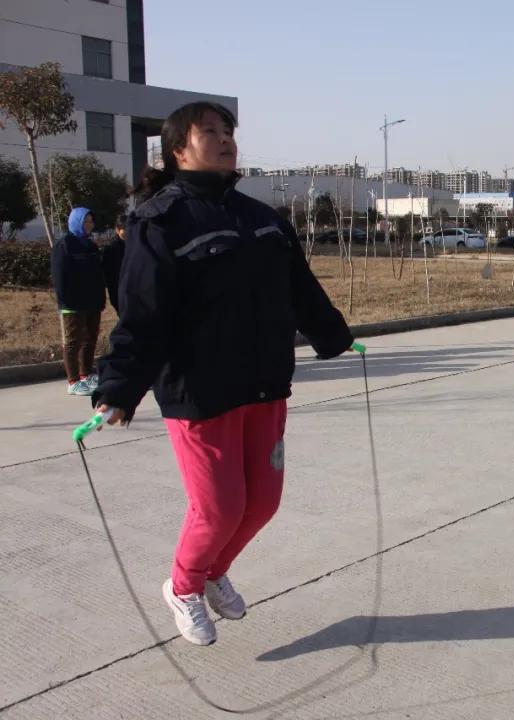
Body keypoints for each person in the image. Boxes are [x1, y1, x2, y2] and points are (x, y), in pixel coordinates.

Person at [92, 102, 354, 646]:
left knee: (262, 503)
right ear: (178, 151)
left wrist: (333, 335)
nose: (225, 138)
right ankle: (184, 586)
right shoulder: (159, 219)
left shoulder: (263, 217)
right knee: (219, 508)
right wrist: (119, 385)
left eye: (228, 130)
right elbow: (143, 311)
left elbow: (300, 288)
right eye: (209, 131)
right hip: (200, 390)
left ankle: (213, 573)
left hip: (264, 382)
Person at [51, 207, 106, 397]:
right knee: (73, 341)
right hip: (72, 303)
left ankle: (86, 374)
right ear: (76, 222)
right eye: (85, 221)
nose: (89, 225)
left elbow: (98, 274)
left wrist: (100, 298)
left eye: (90, 221)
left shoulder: (90, 246)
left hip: (92, 301)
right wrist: (65, 301)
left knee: (90, 338)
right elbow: (59, 277)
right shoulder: (64, 246)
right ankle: (73, 381)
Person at [101, 211, 128, 313]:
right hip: (119, 292)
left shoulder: (136, 244)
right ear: (117, 230)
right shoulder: (111, 249)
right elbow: (108, 276)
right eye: (124, 229)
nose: (128, 232)